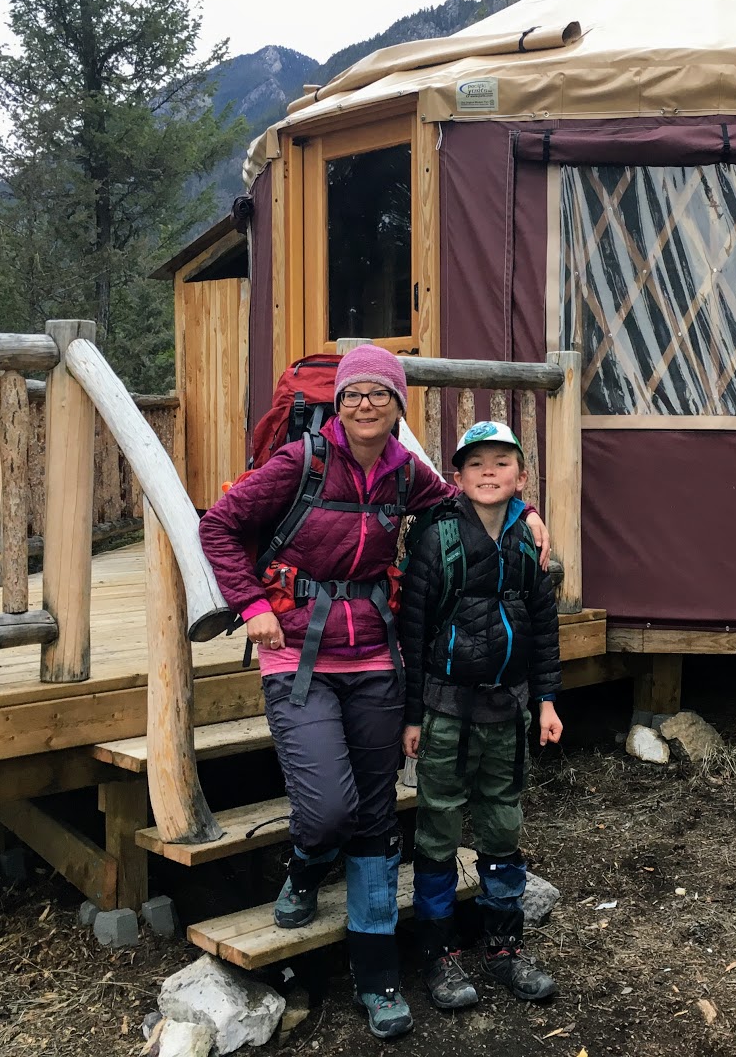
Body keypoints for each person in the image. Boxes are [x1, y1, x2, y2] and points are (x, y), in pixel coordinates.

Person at [198, 349, 549, 1041]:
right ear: (338, 401)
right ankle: (303, 868)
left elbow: (465, 496)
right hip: (295, 651)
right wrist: (249, 605)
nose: (365, 405)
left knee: (376, 818)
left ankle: (378, 974)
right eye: (354, 393)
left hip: (374, 655)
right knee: (329, 807)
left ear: (397, 405)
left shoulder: (403, 472)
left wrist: (525, 508)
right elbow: (220, 525)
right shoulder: (301, 462)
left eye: (379, 395)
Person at [398, 420, 564, 1012]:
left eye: (501, 462)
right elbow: (413, 630)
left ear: (521, 476)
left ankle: (503, 947)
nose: (488, 472)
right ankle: (439, 955)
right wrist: (411, 714)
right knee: (438, 827)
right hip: (443, 707)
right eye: (475, 463)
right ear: (458, 475)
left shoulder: (529, 540)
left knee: (502, 824)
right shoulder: (437, 536)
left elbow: (544, 628)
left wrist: (546, 700)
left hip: (507, 706)